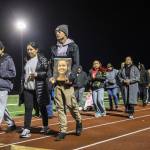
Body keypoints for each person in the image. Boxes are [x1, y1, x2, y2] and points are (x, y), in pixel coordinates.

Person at [49, 24, 82, 141]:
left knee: (71, 106)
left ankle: (79, 121)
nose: (57, 33)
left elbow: (76, 63)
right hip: (57, 82)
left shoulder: (73, 46)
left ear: (65, 33)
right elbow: (52, 65)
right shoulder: (54, 48)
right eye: (56, 31)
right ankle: (63, 130)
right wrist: (51, 77)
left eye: (59, 31)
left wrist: (71, 77)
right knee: (59, 107)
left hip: (68, 82)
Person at [19, 42, 49, 138]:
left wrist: (37, 74)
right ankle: (27, 129)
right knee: (28, 108)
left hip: (38, 88)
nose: (29, 51)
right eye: (28, 49)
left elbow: (46, 73)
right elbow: (24, 73)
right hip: (27, 88)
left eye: (31, 49)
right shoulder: (26, 59)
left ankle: (45, 126)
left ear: (36, 50)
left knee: (42, 108)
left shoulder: (42, 59)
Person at [0, 41, 16, 132]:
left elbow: (13, 73)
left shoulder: (8, 59)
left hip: (4, 86)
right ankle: (11, 123)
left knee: (1, 106)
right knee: (2, 107)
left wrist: (2, 73)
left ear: (2, 49)